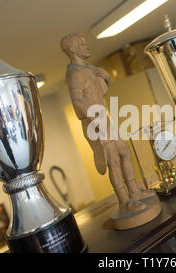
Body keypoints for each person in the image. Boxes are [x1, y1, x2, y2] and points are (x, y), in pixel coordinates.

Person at [60, 33, 155, 212]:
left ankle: (134, 192)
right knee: (113, 160)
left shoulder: (88, 68)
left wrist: (105, 77)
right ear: (72, 48)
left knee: (124, 152)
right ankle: (125, 201)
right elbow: (77, 102)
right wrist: (95, 118)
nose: (86, 46)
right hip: (94, 121)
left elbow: (99, 93)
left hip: (104, 118)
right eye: (82, 44)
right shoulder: (74, 74)